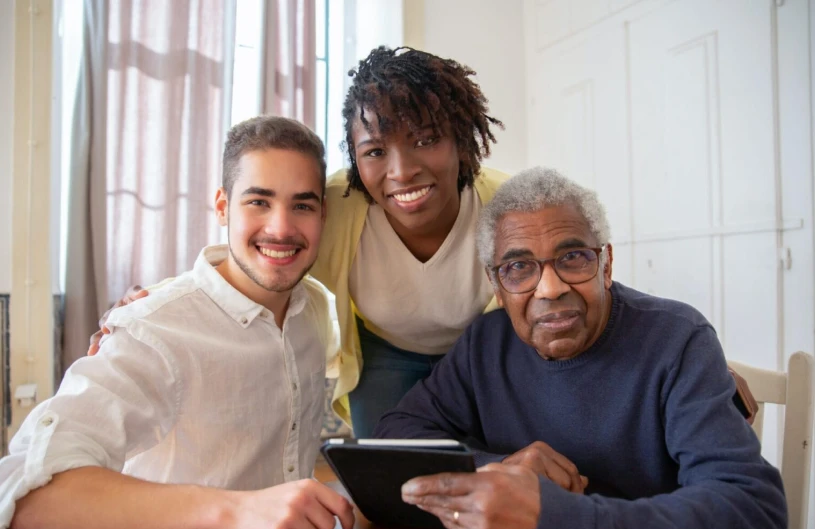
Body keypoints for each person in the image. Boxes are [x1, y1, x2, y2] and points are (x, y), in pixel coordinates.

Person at [89, 47, 755, 438]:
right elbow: (264, 253)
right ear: (355, 156)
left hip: (490, 349)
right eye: (375, 150)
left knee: (518, 460)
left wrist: (676, 362)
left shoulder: (507, 202)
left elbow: (573, 274)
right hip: (385, 354)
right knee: (396, 480)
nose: (401, 171)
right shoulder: (337, 206)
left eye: (425, 140)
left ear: (462, 140)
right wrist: (162, 304)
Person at [374, 167, 787, 529]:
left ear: (606, 265)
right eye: (519, 267)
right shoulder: (485, 344)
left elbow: (752, 516)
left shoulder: (677, 340)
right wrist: (495, 469)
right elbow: (396, 435)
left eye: (572, 258)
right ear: (496, 287)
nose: (550, 288)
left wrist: (553, 525)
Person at [0, 116, 354, 529]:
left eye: (302, 205)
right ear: (223, 207)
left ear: (323, 214)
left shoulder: (315, 309)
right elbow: (23, 491)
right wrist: (233, 512)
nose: (281, 227)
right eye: (259, 202)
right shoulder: (153, 329)